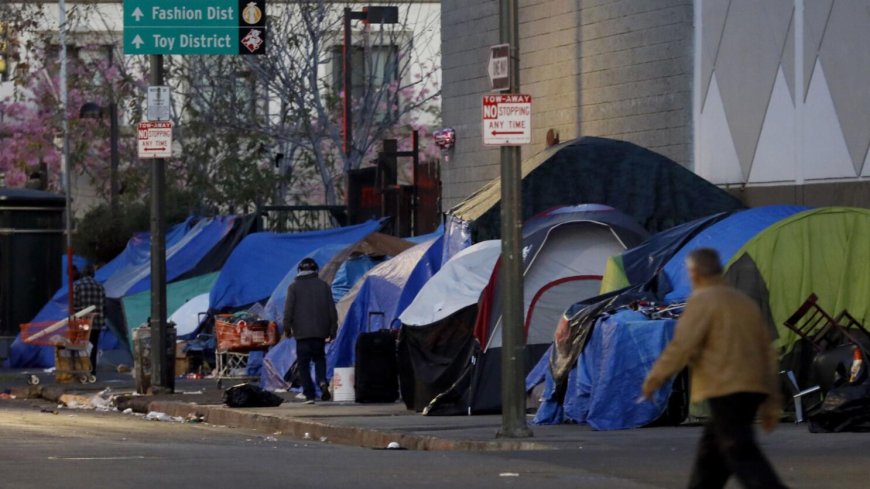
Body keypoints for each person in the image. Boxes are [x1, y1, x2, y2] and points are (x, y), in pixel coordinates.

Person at [642, 248, 788, 489]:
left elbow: (682, 346)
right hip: (753, 386)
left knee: (740, 451)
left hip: (726, 387)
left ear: (695, 273)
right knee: (712, 453)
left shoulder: (702, 301)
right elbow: (767, 351)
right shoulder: (744, 302)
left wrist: (654, 378)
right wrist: (772, 399)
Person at [283, 258, 338, 404]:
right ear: (316, 270)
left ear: (299, 270)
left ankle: (310, 395)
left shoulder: (293, 287)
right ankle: (322, 381)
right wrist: (333, 329)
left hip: (302, 333)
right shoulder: (324, 286)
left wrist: (287, 328)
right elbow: (331, 310)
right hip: (320, 332)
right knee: (320, 359)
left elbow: (289, 310)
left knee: (303, 364)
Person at [73, 264, 106, 376]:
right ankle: (92, 370)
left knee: (81, 345)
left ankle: (82, 369)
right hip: (96, 322)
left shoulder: (78, 285)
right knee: (93, 345)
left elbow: (75, 304)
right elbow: (104, 304)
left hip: (82, 322)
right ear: (93, 274)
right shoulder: (100, 286)